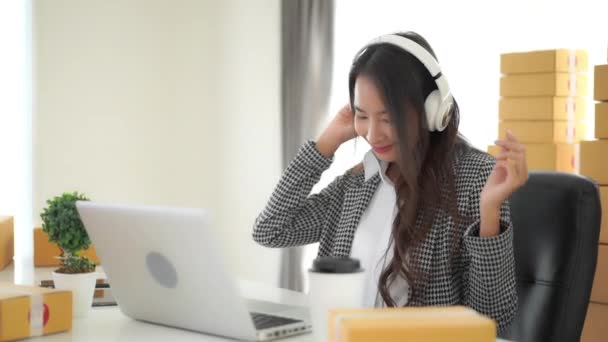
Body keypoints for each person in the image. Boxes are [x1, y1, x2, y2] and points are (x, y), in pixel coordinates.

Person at [252, 31, 527, 333]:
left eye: (388, 117)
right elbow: (271, 230)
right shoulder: (359, 182)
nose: (372, 135)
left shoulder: (474, 178)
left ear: (431, 110)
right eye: (362, 116)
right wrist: (325, 144)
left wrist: (490, 215)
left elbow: (491, 317)